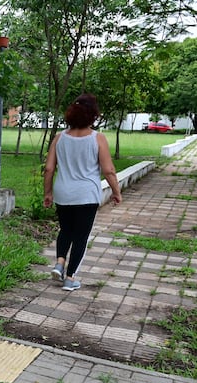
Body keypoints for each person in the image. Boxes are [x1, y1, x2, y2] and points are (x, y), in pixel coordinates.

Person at [43, 93, 122, 291]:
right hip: (86, 195)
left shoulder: (59, 138)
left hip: (63, 193)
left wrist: (48, 193)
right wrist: (116, 192)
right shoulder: (98, 138)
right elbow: (108, 170)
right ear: (93, 115)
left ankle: (59, 263)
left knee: (65, 230)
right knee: (80, 236)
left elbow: (49, 169)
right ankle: (70, 278)